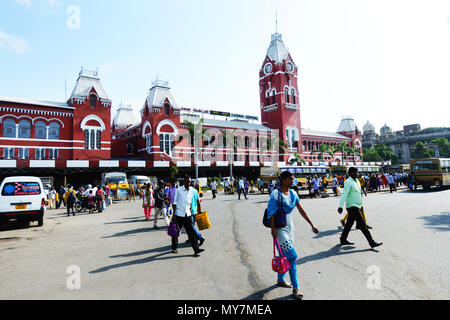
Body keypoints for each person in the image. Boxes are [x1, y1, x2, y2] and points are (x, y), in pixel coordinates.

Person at [267, 171, 319, 300]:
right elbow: (271, 212)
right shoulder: (275, 194)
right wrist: (273, 229)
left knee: (284, 255)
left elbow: (301, 210)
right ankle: (296, 288)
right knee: (292, 256)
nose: (292, 181)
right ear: (283, 180)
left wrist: (311, 224)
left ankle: (280, 279)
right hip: (280, 229)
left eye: (292, 179)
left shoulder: (293, 193)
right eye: (290, 179)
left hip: (290, 226)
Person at [338, 167, 382, 248]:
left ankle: (343, 239)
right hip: (352, 206)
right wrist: (340, 206)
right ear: (350, 173)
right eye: (354, 172)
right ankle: (371, 242)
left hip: (357, 206)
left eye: (357, 172)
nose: (356, 174)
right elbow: (344, 194)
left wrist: (361, 205)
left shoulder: (357, 181)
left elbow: (358, 194)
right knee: (363, 225)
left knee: (349, 224)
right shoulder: (348, 182)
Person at [171, 176, 205, 256]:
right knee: (175, 232)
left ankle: (196, 249)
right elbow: (175, 203)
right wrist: (174, 214)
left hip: (187, 215)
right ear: (184, 182)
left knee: (191, 233)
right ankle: (174, 247)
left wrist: (191, 209)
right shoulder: (179, 190)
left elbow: (190, 202)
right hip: (179, 214)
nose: (188, 183)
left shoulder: (191, 191)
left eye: (189, 182)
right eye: (187, 181)